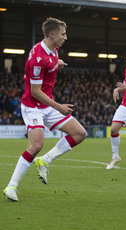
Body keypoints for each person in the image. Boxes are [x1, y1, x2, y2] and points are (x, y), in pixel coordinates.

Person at [3, 17, 86, 202]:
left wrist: (59, 63)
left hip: (47, 105)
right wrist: (59, 107)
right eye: (63, 34)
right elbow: (35, 91)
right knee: (36, 145)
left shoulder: (54, 49)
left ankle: (45, 160)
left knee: (80, 134)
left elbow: (52, 62)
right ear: (52, 34)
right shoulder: (37, 59)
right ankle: (11, 186)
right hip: (34, 106)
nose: (66, 37)